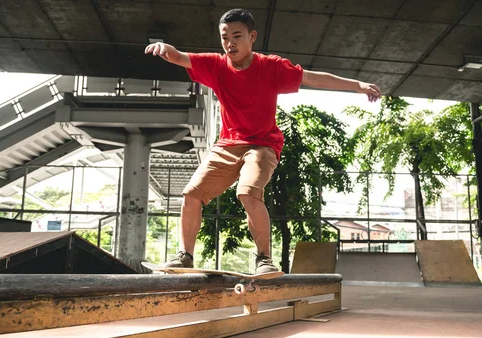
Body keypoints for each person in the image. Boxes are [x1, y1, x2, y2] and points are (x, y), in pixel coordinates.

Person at [145, 8, 381, 273]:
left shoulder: (272, 67)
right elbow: (180, 57)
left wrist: (357, 85)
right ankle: (185, 254)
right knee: (191, 194)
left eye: (237, 36)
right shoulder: (215, 65)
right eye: (225, 38)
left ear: (252, 36)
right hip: (227, 145)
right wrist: (164, 47)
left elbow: (313, 78)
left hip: (262, 146)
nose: (230, 44)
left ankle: (264, 259)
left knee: (247, 192)